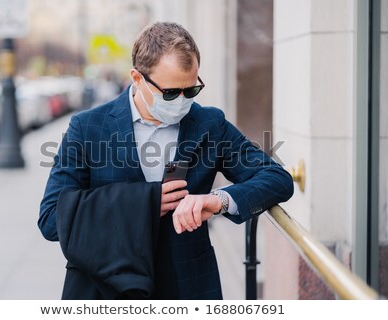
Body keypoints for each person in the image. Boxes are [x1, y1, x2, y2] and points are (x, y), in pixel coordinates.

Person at [39, 21, 293, 299]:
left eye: (192, 90)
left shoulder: (209, 124)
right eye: (171, 93)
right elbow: (52, 219)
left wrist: (218, 200)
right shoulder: (87, 127)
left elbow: (277, 179)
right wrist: (144, 203)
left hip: (188, 286)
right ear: (137, 79)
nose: (183, 101)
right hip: (106, 289)